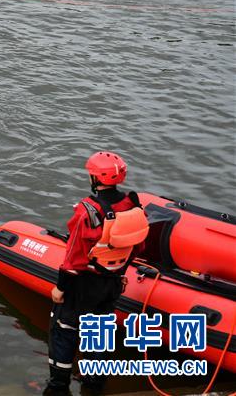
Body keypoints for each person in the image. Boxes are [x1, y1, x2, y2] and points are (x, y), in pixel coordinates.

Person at [45, 151, 148, 396]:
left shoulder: (88, 211)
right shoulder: (133, 206)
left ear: (95, 178)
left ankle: (58, 387)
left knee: (64, 330)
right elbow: (138, 247)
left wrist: (60, 288)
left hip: (83, 284)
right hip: (112, 282)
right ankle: (94, 384)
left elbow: (74, 259)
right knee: (99, 330)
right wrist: (119, 272)